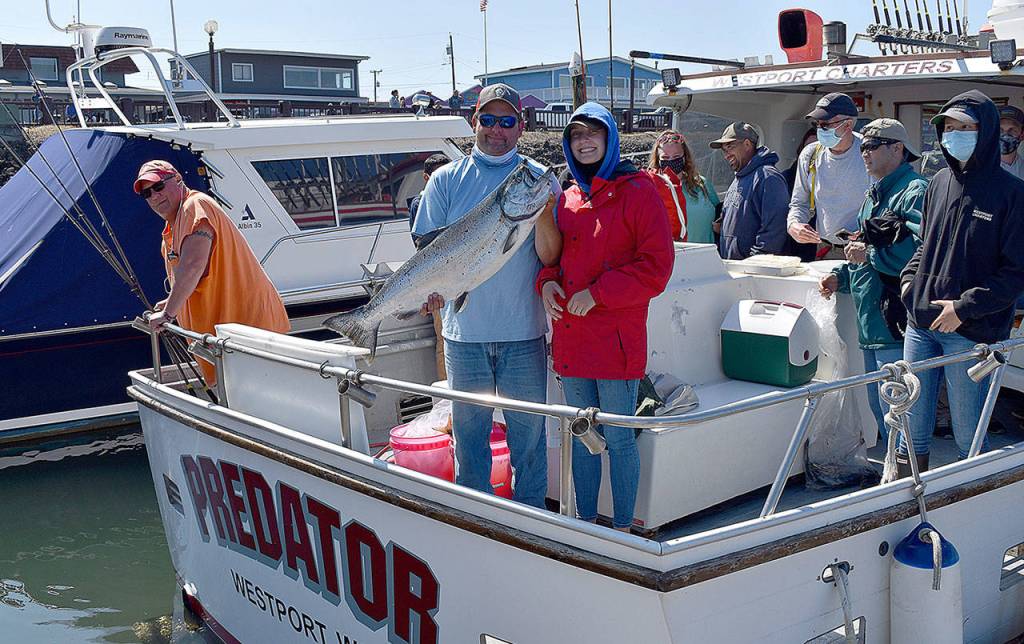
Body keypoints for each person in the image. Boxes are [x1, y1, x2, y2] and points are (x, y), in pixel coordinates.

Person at [412, 83, 557, 508]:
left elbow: (552, 255)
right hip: (464, 337)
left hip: (523, 334)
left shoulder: (539, 178)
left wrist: (545, 213)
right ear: (474, 122)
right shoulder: (445, 180)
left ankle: (530, 519)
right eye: (489, 120)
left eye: (507, 121)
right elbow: (426, 251)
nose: (497, 130)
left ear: (521, 126)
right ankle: (475, 516)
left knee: (529, 440)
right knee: (469, 439)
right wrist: (429, 293)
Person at [536, 102, 674, 531]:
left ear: (610, 137)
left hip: (616, 342)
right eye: (576, 135)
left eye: (592, 132)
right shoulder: (567, 198)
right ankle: (586, 525)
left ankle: (622, 529)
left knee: (618, 438)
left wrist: (597, 294)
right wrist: (546, 283)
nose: (584, 141)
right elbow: (553, 260)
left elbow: (656, 268)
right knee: (582, 435)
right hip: (573, 339)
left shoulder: (640, 190)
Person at [899, 90, 1024, 472]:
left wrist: (963, 308)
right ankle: (908, 496)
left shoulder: (1012, 193)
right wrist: (909, 284)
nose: (954, 135)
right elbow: (925, 244)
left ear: (985, 132)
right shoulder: (938, 182)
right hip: (920, 325)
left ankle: (972, 499)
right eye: (949, 128)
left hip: (971, 332)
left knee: (969, 434)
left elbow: (1015, 272)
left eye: (965, 128)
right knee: (909, 430)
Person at [819, 118, 926, 442]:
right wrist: (841, 277)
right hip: (872, 326)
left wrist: (869, 256)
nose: (864, 153)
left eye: (873, 146)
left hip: (895, 323)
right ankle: (896, 466)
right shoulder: (873, 195)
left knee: (901, 415)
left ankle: (907, 469)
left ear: (898, 149)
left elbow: (921, 253)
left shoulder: (915, 191)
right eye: (863, 147)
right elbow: (863, 249)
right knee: (883, 412)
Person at [137, 160, 289, 382]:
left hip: (248, 333)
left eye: (158, 186)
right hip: (226, 342)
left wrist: (168, 314)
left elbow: (193, 266)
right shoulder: (173, 227)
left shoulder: (195, 206)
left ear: (178, 179)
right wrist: (172, 302)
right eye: (146, 193)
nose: (154, 196)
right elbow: (201, 275)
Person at [788, 93, 871, 256]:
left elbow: (884, 205)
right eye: (817, 124)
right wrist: (794, 224)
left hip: (864, 249)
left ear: (848, 125)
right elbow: (799, 202)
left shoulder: (870, 152)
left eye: (825, 124)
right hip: (824, 249)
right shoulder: (810, 154)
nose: (820, 129)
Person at [710, 122, 789, 259]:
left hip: (752, 268)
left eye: (730, 147)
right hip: (733, 266)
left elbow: (775, 229)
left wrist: (755, 262)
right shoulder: (739, 178)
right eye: (724, 150)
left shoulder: (768, 177)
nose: (726, 155)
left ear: (747, 144)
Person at [647, 130, 721, 244]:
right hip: (673, 254)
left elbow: (720, 216)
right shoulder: (650, 189)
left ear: (685, 157)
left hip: (706, 253)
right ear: (658, 159)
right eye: (665, 158)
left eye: (676, 156)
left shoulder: (702, 184)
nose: (671, 161)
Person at [409, 153, 450, 234]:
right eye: (439, 176)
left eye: (447, 174)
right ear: (426, 177)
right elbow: (419, 237)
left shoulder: (453, 196)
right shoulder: (419, 203)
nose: (444, 179)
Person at [998, 105, 1024, 180]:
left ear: (1022, 135)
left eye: (1012, 130)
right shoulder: (978, 170)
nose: (1005, 135)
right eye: (1000, 130)